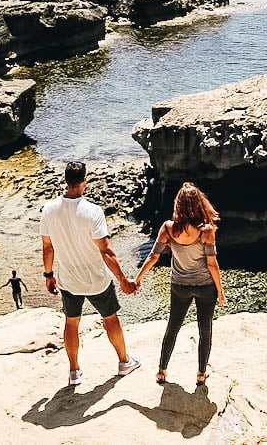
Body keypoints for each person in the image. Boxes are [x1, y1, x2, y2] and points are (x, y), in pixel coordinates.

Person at [41, 161, 140, 386]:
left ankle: (74, 371)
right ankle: (124, 361)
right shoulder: (93, 211)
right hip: (97, 279)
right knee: (110, 318)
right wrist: (123, 280)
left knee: (71, 323)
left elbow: (47, 247)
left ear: (66, 181)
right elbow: (106, 251)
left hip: (68, 280)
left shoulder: (49, 210)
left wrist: (48, 275)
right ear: (84, 181)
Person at [135, 181, 225, 387]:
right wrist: (220, 291)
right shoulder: (207, 230)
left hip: (179, 286)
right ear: (200, 203)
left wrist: (137, 279)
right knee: (205, 329)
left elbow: (153, 257)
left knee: (173, 327)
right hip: (205, 287)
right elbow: (212, 264)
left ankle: (161, 371)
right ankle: (201, 374)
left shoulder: (168, 228)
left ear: (178, 204)